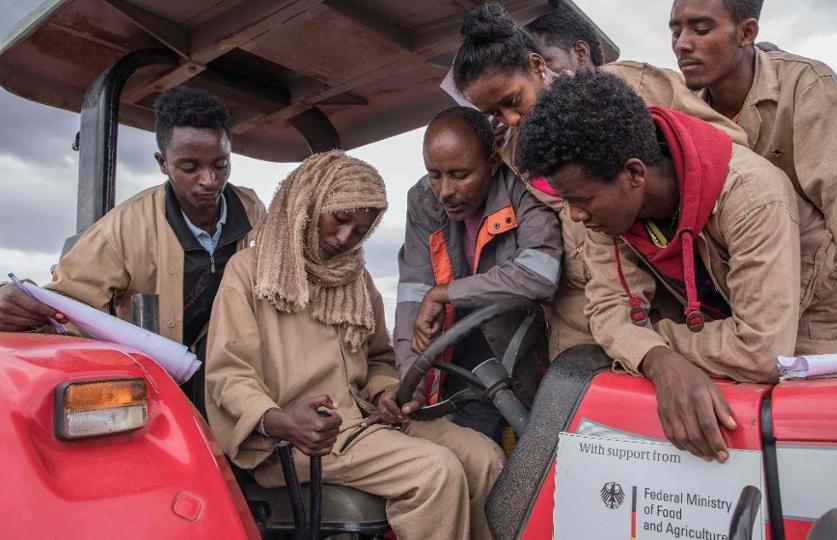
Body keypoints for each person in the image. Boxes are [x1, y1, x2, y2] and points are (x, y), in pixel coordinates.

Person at [516, 70, 837, 462]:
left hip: (813, 357)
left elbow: (762, 351)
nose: (575, 215)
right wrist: (659, 361)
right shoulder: (604, 209)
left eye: (582, 200)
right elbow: (606, 310)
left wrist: (653, 343)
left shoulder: (754, 197)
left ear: (634, 173)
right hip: (722, 354)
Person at [204, 151, 504, 540]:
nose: (346, 238)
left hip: (364, 422)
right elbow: (228, 374)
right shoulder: (250, 271)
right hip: (293, 440)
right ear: (310, 203)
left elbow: (378, 359)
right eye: (340, 219)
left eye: (361, 231)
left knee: (485, 458)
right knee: (435, 472)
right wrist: (278, 419)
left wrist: (387, 392)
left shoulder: (356, 280)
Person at [452, 3, 745, 359]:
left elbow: (724, 150)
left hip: (687, 282)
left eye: (512, 100)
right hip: (603, 305)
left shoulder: (627, 86)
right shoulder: (516, 154)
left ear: (537, 66)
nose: (511, 119)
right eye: (494, 114)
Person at [669, 0, 837, 368]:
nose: (682, 43)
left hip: (818, 296)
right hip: (740, 299)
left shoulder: (808, 87)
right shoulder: (684, 109)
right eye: (675, 30)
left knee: (810, 407)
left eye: (701, 29)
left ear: (746, 33)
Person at [0, 88, 266, 407]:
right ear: (163, 163)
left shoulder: (254, 212)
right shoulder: (122, 229)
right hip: (157, 383)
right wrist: (18, 303)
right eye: (190, 167)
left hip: (231, 375)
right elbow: (65, 305)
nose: (209, 180)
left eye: (220, 164)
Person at [395, 106, 561, 442]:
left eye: (460, 174)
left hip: (529, 359)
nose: (445, 191)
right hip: (459, 363)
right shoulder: (423, 202)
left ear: (493, 163)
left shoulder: (522, 187)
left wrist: (445, 294)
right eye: (435, 174)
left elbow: (540, 272)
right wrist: (408, 379)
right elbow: (413, 296)